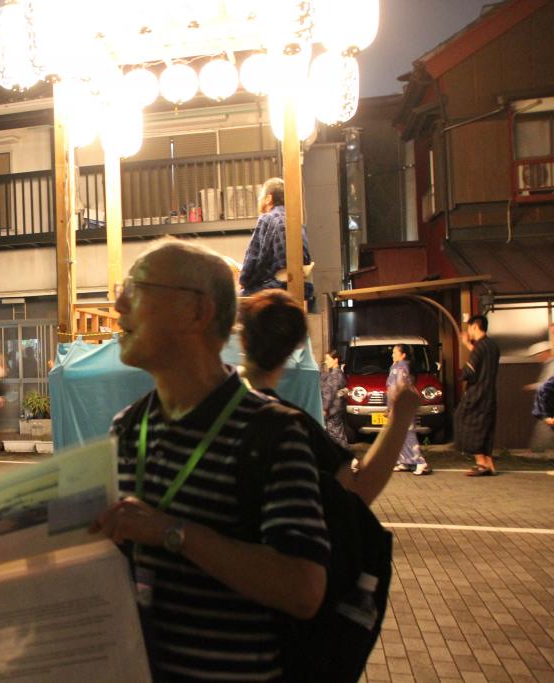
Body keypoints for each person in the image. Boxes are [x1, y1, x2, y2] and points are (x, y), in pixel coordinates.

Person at [95, 239, 330, 681]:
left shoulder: (272, 433)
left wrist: (172, 532)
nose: (118, 303)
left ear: (196, 311)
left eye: (137, 287)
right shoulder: (126, 429)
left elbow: (303, 588)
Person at [238, 290, 421, 505]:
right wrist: (399, 419)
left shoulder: (210, 404)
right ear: (298, 346)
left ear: (241, 340)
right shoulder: (293, 427)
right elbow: (359, 487)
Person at [238, 177, 314, 302]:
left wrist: (243, 281)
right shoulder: (297, 222)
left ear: (269, 199)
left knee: (236, 298)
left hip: (279, 287)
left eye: (261, 197)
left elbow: (253, 261)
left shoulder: (267, 218)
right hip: (303, 287)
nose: (259, 200)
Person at [455, 314, 501, 476]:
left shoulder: (480, 346)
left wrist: (462, 374)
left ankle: (481, 463)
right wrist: (468, 344)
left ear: (475, 326)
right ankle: (489, 463)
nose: (469, 331)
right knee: (486, 428)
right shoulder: (492, 346)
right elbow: (481, 357)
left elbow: (470, 371)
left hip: (476, 394)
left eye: (469, 327)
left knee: (465, 422)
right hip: (490, 394)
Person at [388, 344, 432, 476]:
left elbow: (401, 387)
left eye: (395, 352)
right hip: (396, 405)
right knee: (400, 434)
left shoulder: (402, 367)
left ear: (403, 355)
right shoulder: (395, 367)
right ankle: (405, 461)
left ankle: (421, 462)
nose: (392, 355)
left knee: (408, 434)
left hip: (403, 405)